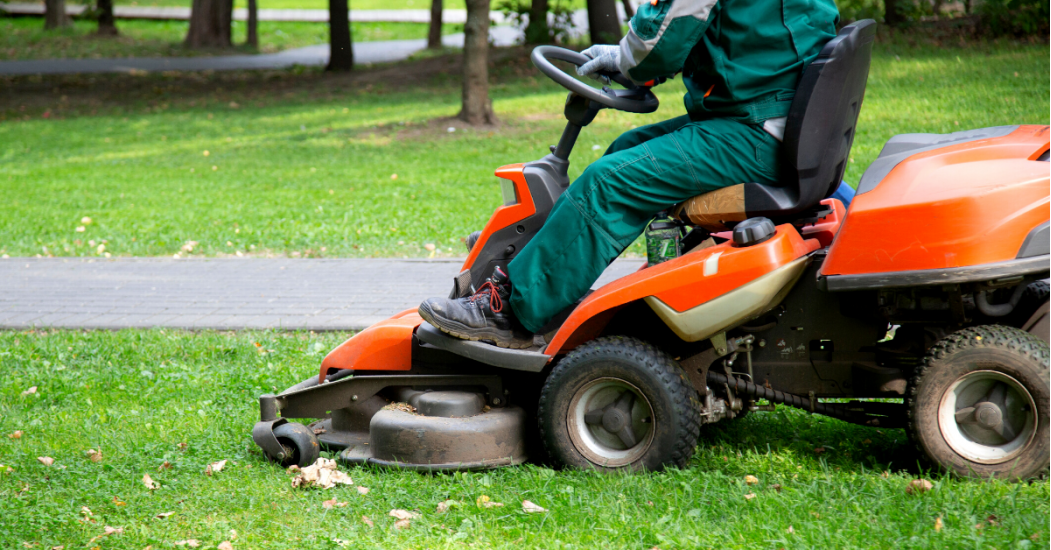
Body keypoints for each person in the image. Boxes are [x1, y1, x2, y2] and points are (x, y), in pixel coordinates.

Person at [418, 0, 841, 349]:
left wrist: (625, 57)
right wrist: (629, 60)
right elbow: (720, 35)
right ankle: (549, 289)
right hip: (775, 119)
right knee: (626, 151)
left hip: (758, 131)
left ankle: (509, 311)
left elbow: (668, 31)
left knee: (609, 182)